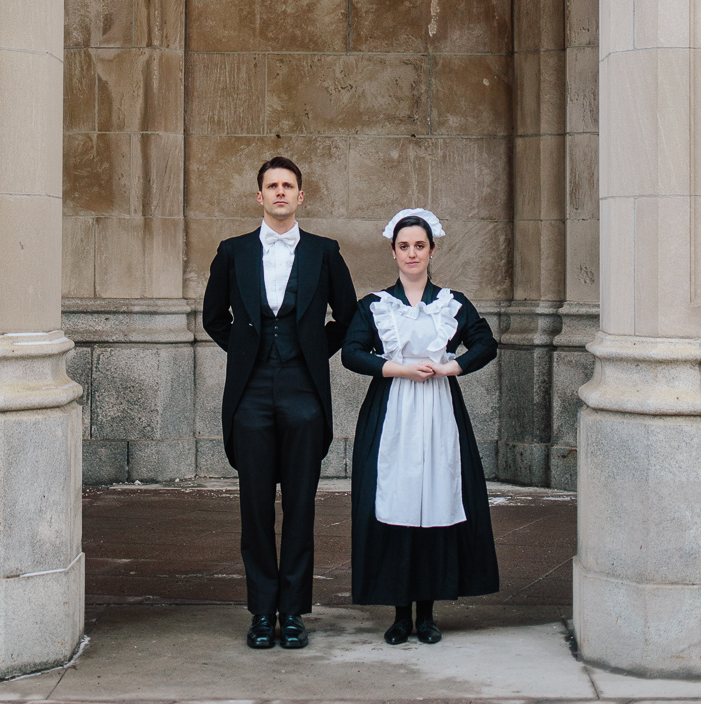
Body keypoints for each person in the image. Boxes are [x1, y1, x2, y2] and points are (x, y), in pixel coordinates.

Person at [202, 156, 357, 651]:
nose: (281, 193)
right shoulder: (233, 252)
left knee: (300, 506)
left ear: (301, 196)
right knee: (254, 508)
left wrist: (311, 352)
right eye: (272, 186)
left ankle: (292, 613)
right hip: (250, 395)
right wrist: (249, 354)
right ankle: (261, 612)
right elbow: (213, 317)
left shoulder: (324, 252)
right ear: (260, 196)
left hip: (303, 393)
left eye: (289, 185)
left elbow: (349, 317)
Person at [341, 208, 499, 645]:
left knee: (436, 503)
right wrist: (394, 368)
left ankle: (427, 615)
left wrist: (453, 368)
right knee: (397, 504)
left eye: (420, 246)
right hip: (392, 412)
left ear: (431, 251)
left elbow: (486, 343)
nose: (412, 253)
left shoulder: (452, 303)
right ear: (393, 251)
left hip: (439, 413)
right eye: (404, 246)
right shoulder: (375, 306)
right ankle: (399, 615)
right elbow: (351, 353)